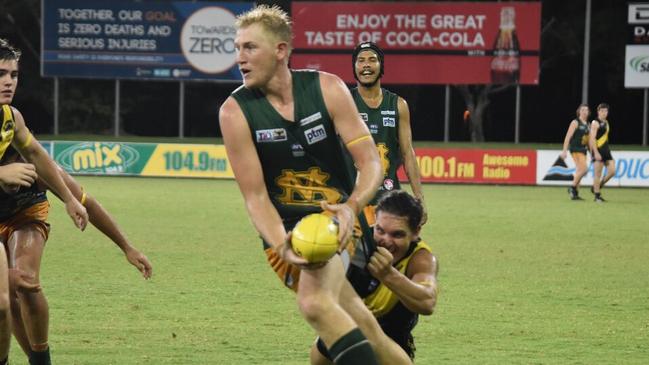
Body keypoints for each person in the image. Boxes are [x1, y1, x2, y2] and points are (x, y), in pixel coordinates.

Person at [219, 5, 412, 364]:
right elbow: (256, 197)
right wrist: (279, 243)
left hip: (340, 221)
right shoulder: (234, 112)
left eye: (249, 48)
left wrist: (352, 207)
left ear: (280, 51)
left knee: (314, 302)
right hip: (284, 234)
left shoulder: (327, 88)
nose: (239, 58)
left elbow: (370, 162)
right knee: (361, 325)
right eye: (237, 48)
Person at [0, 147, 153, 362]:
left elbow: (86, 202)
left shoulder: (40, 169)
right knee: (5, 295)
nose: (17, 180)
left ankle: (41, 361)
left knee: (26, 281)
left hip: (25, 217)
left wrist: (128, 247)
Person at [0, 37, 88, 365]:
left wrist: (69, 199)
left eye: (14, 74)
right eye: (0, 74)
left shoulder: (9, 117)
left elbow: (36, 153)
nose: (8, 82)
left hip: (16, 215)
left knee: (7, 297)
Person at [311, 190, 439, 363]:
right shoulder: (356, 242)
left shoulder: (420, 258)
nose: (385, 240)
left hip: (391, 342)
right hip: (343, 334)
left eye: (397, 234)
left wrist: (388, 275)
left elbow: (427, 302)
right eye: (380, 230)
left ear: (416, 232)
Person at [349, 42, 427, 226]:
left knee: (395, 252)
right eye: (360, 61)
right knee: (352, 255)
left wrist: (419, 199)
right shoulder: (344, 103)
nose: (366, 65)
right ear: (354, 67)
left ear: (381, 66)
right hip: (352, 201)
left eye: (372, 60)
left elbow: (408, 154)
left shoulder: (398, 105)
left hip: (388, 201)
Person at [560, 104, 590, 200]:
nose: (585, 111)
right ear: (579, 112)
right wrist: (564, 151)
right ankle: (572, 188)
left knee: (579, 171)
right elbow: (568, 136)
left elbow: (588, 140)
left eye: (586, 110)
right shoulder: (575, 122)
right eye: (583, 110)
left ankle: (575, 194)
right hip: (576, 149)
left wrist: (592, 152)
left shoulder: (588, 124)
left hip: (583, 150)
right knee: (584, 169)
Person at [589, 103, 616, 202]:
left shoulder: (606, 122)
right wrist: (595, 152)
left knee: (612, 171)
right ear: (598, 112)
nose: (604, 113)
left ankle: (598, 186)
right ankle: (597, 196)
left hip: (606, 151)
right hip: (598, 151)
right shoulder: (595, 123)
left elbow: (604, 138)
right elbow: (592, 139)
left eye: (606, 111)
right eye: (602, 111)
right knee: (597, 174)